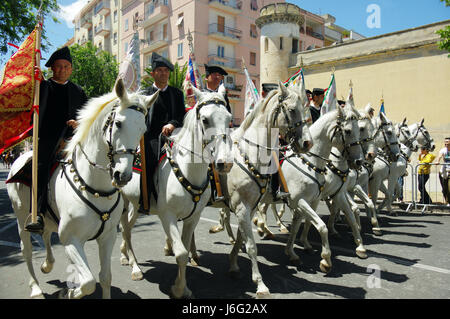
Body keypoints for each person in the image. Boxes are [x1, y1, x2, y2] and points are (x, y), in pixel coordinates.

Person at [25, 46, 88, 232]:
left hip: (74, 139)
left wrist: (78, 123)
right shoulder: (42, 87)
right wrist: (33, 79)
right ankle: (37, 212)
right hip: (48, 138)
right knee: (42, 167)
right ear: (52, 68)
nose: (62, 70)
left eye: (66, 66)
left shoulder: (78, 91)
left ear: (71, 69)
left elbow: (87, 116)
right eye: (58, 66)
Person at [139, 52, 185, 214]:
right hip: (151, 137)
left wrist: (172, 124)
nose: (164, 73)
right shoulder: (143, 94)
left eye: (166, 71)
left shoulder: (177, 94)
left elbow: (180, 116)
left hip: (175, 135)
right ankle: (145, 198)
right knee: (149, 160)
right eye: (160, 70)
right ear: (153, 74)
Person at [437, 137, 450, 205]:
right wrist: (437, 161)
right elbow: (440, 155)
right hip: (444, 171)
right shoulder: (443, 150)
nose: (446, 143)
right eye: (445, 142)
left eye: (447, 142)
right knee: (444, 188)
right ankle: (447, 201)